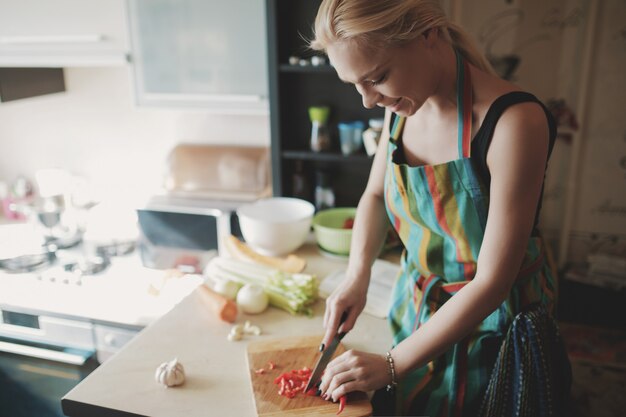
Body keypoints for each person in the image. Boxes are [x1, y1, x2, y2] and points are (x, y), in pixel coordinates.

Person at [310, 0, 571, 415]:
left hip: (494, 326)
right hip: (416, 308)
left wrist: (392, 365)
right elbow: (375, 196)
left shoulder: (514, 121)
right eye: (354, 85)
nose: (367, 101)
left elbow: (491, 284)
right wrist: (356, 277)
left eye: (377, 78)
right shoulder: (401, 109)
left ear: (427, 34)